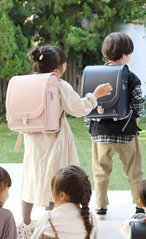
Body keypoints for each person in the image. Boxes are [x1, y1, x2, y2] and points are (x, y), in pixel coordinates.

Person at [20, 45, 112, 226]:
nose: (66, 66)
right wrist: (95, 96)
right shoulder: (59, 85)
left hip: (32, 137)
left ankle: (25, 222)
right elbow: (79, 108)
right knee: (55, 178)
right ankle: (51, 223)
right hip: (54, 138)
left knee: (31, 175)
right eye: (64, 63)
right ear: (56, 70)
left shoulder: (28, 83)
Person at [87, 32, 145, 217]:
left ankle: (101, 205)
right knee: (134, 170)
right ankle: (139, 205)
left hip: (100, 133)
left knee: (100, 171)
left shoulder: (93, 75)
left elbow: (88, 102)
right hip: (126, 132)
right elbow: (138, 102)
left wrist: (89, 127)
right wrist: (135, 117)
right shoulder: (130, 76)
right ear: (125, 54)